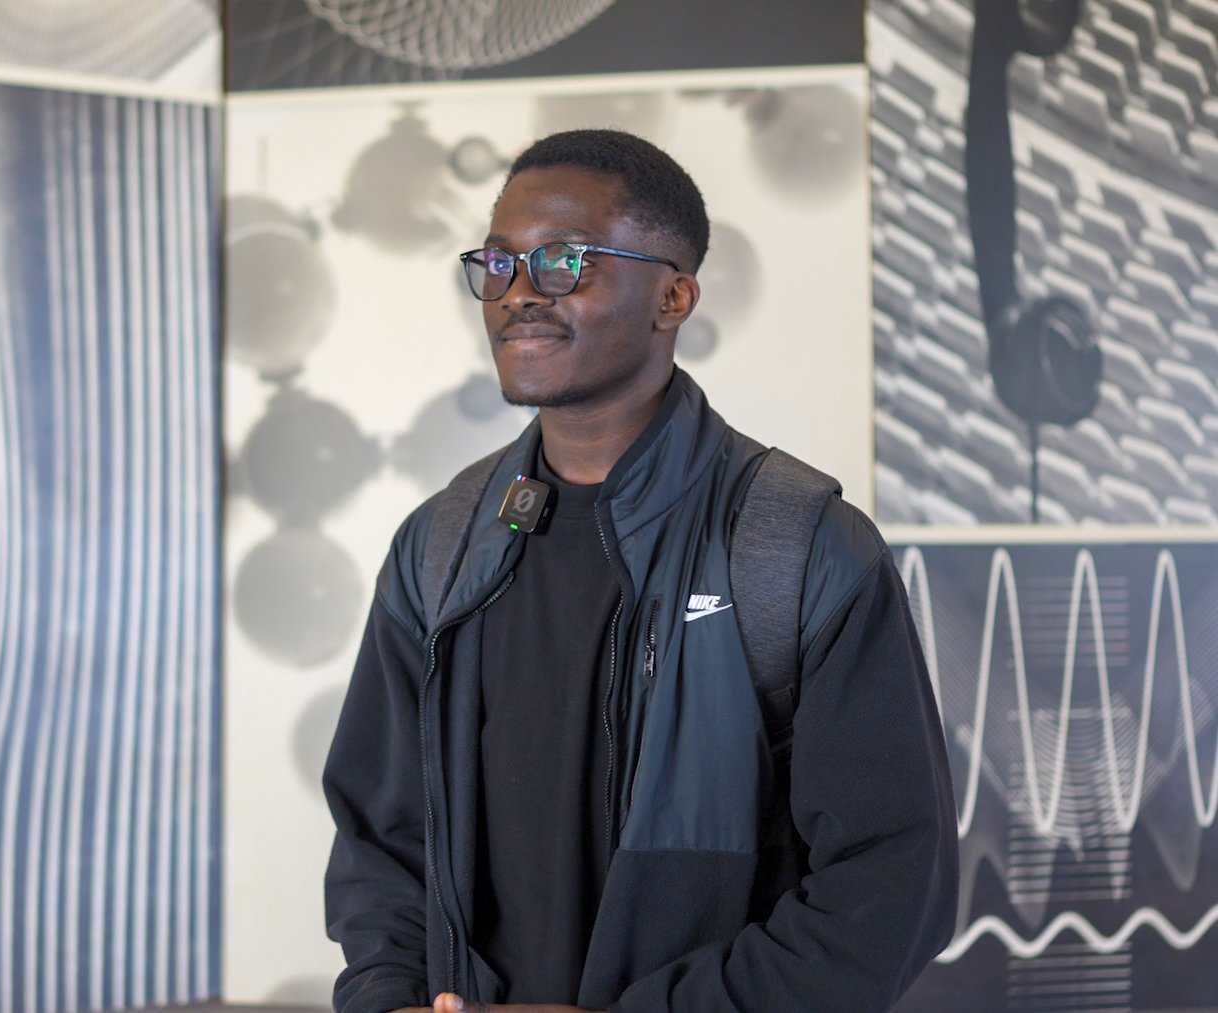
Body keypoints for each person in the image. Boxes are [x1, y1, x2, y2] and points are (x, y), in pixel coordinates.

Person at [321, 129, 958, 1012]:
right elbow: (379, 840)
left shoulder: (797, 545)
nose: (518, 293)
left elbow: (889, 885)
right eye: (499, 263)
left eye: (563, 262)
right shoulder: (441, 545)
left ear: (673, 296)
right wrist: (389, 997)